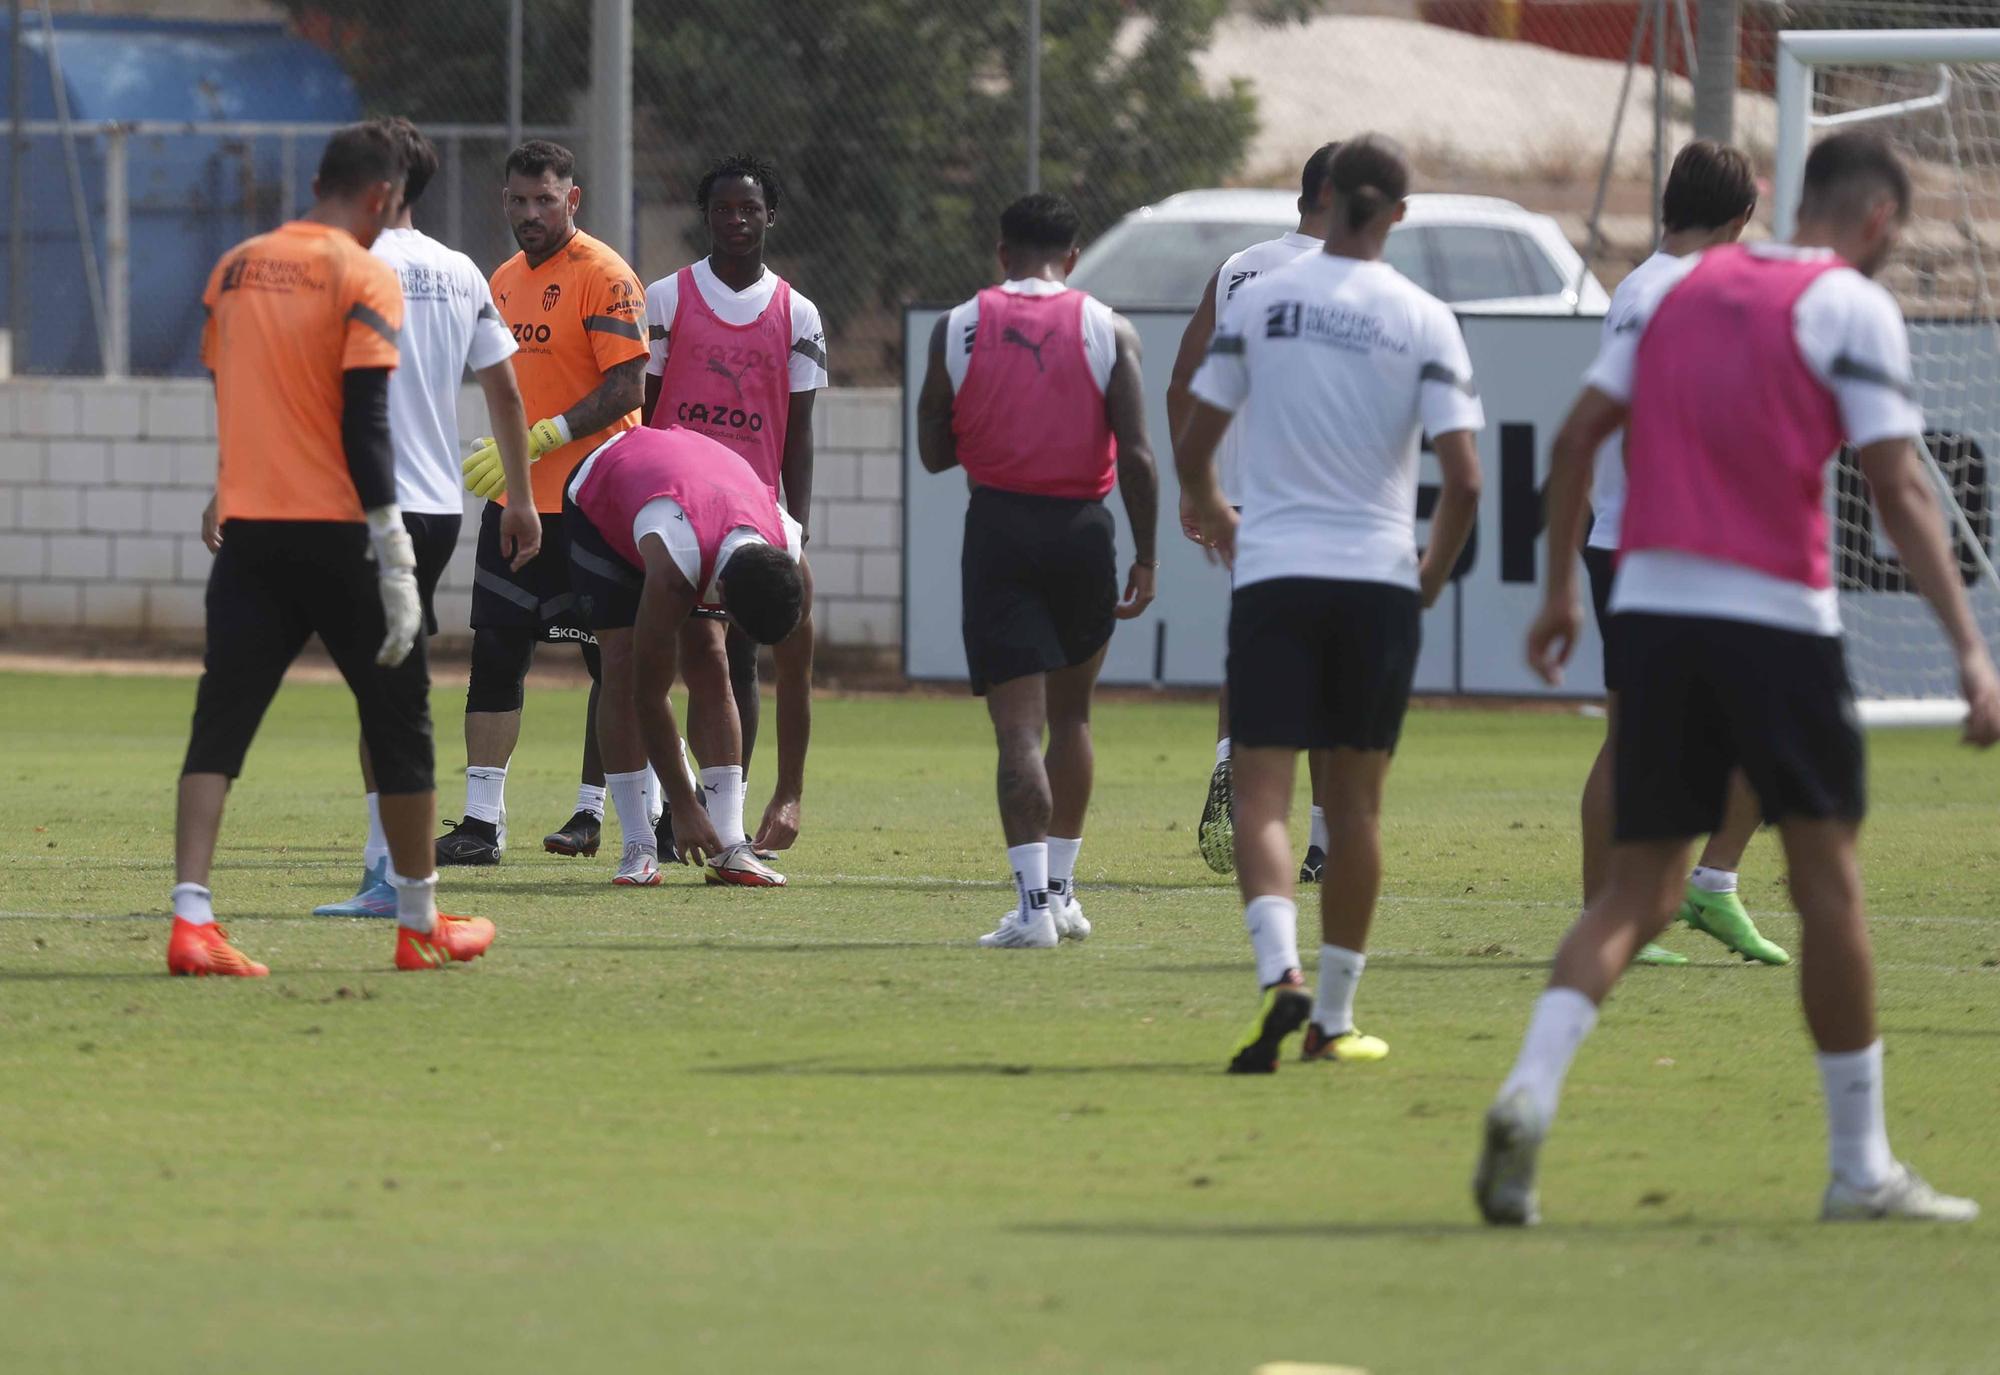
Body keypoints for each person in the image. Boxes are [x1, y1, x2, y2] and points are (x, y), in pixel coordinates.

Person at [1478, 131, 2000, 1226]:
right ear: (1871, 222)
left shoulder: (1672, 291)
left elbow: (1575, 440)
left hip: (1656, 610)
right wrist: (1966, 646)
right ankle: (1859, 1167)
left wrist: (1558, 596)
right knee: (1827, 887)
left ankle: (1527, 1089)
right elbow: (1898, 486)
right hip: (1772, 618)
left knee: (1634, 891)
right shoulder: (1847, 305)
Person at [1178, 135, 1484, 1071]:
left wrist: (1220, 514)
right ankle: (1335, 1018)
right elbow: (1465, 482)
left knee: (1261, 800)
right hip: (1376, 581)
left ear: (1323, 199)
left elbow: (1195, 437)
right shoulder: (1425, 317)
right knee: (1353, 814)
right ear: (1396, 211)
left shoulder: (1261, 298)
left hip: (1274, 573)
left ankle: (1281, 977)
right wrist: (1423, 583)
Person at [171, 122, 494, 975]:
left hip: (250, 533)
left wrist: (230, 484)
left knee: (221, 722)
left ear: (318, 178)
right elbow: (366, 418)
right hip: (343, 536)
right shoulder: (364, 273)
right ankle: (419, 921)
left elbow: (232, 390)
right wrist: (391, 541)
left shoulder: (234, 267)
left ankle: (191, 918)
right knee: (401, 721)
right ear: (384, 198)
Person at [916, 192, 1160, 949]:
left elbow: (933, 450)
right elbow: (1139, 454)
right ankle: (1064, 893)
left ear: (1000, 253)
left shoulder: (957, 325)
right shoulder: (1107, 325)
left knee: (1017, 729)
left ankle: (1031, 910)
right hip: (1085, 533)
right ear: (1074, 258)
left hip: (999, 530)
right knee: (1074, 715)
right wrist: (1148, 556)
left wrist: (995, 424)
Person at [309, 117, 540, 918]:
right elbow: (504, 393)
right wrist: (520, 497)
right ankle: (394, 870)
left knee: (386, 694)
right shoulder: (461, 269)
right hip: (442, 505)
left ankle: (391, 873)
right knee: (389, 683)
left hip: (373, 503)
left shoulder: (353, 262)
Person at [1577, 140, 1788, 968]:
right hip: (1666, 544)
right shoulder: (1692, 293)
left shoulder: (1637, 286)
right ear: (1739, 218)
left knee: (1647, 736)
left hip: (1627, 537)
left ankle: (1647, 901)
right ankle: (1699, 887)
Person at [439, 139, 651, 867]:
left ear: (573, 199)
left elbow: (629, 389)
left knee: (613, 667)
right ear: (503, 202)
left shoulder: (605, 276)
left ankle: (621, 812)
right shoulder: (500, 280)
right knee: (496, 653)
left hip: (598, 503)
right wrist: (510, 446)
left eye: (545, 200)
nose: (531, 213)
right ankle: (480, 821)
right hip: (519, 501)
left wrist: (546, 434)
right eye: (519, 201)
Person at [640, 153, 827, 884]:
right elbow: (646, 407)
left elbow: (802, 429)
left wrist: (798, 521)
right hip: (680, 509)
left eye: (750, 209)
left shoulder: (797, 312)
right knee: (692, 656)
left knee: (740, 659)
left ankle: (726, 813)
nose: (737, 220)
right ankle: (666, 810)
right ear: (706, 216)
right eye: (723, 209)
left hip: (755, 517)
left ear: (770, 216)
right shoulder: (666, 297)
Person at [1167, 141, 1341, 885]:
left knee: (1257, 643)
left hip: (1243, 497)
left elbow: (1185, 377)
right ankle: (1324, 837)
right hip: (1326, 496)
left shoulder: (1238, 268)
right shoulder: (1354, 276)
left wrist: (1194, 481)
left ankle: (1231, 767)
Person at [564, 424, 807, 885]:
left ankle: (731, 844)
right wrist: (684, 804)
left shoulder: (788, 548)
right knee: (622, 661)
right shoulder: (676, 566)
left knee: (713, 656)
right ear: (723, 595)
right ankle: (638, 844)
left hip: (696, 489)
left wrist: (789, 792)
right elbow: (647, 695)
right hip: (606, 492)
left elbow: (797, 682)